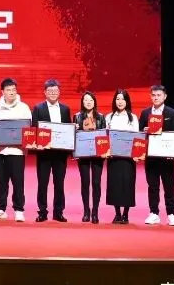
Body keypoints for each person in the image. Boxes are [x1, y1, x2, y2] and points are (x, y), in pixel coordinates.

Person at [0, 77, 31, 222]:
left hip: (17, 152)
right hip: (0, 151)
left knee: (18, 182)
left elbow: (28, 129)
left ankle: (19, 210)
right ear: (3, 92)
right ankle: (0, 209)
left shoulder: (24, 108)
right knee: (1, 181)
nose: (12, 92)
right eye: (8, 90)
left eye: (14, 89)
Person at [139, 84, 174, 226]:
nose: (156, 98)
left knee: (169, 186)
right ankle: (154, 213)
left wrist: (173, 153)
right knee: (153, 186)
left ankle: (171, 214)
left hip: (167, 156)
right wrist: (144, 131)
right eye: (153, 95)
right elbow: (140, 134)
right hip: (151, 156)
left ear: (165, 96)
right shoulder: (145, 113)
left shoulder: (172, 113)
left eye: (159, 95)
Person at [31, 78, 70, 223]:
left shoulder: (65, 109)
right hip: (44, 154)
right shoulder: (38, 108)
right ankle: (42, 212)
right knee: (43, 184)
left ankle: (58, 212)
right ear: (45, 92)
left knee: (59, 184)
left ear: (59, 92)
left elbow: (68, 130)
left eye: (55, 91)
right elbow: (34, 129)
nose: (53, 93)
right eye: (50, 91)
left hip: (60, 154)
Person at [106, 88, 139, 224]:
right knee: (114, 185)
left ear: (127, 101)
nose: (120, 102)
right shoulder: (109, 117)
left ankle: (126, 214)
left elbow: (137, 138)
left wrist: (137, 154)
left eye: (123, 99)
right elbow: (105, 136)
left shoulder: (133, 118)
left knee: (127, 185)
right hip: (113, 157)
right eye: (118, 99)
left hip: (128, 158)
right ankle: (117, 214)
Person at [74, 90, 106, 223]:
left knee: (96, 183)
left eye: (91, 100)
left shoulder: (101, 117)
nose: (88, 102)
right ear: (82, 102)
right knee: (85, 182)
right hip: (83, 154)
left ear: (94, 102)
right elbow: (74, 136)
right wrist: (74, 129)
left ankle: (95, 212)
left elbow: (104, 135)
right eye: (86, 100)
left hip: (97, 154)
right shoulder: (77, 117)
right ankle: (86, 211)